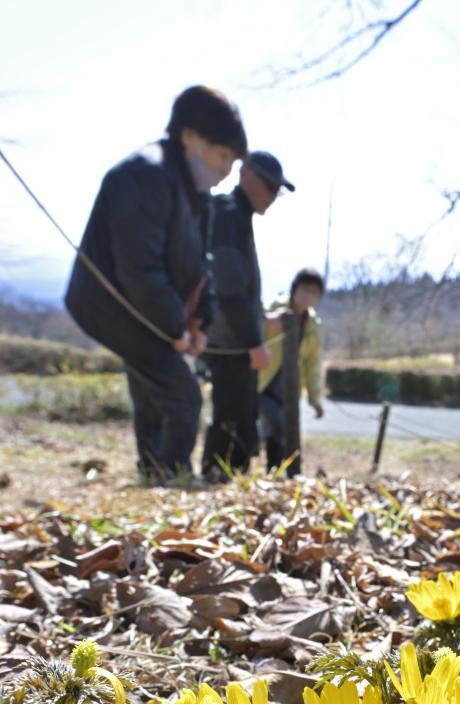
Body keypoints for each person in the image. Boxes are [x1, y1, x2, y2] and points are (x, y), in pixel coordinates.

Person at [65, 86, 247, 482]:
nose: (225, 171)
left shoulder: (195, 193)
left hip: (149, 307)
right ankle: (172, 479)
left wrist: (200, 319)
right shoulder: (144, 176)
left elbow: (201, 266)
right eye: (222, 157)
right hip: (112, 302)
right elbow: (139, 270)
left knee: (154, 389)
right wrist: (175, 327)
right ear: (190, 137)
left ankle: (153, 472)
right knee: (182, 393)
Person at [201, 151, 294, 481]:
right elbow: (228, 287)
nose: (272, 196)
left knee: (240, 414)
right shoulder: (227, 214)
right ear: (246, 176)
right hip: (229, 343)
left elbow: (241, 290)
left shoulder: (239, 218)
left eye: (276, 191)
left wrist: (262, 321)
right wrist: (254, 340)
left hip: (237, 337)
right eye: (270, 187)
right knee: (233, 415)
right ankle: (218, 476)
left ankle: (227, 476)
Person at [258, 268, 326, 473]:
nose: (308, 296)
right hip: (262, 381)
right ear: (295, 289)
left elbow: (312, 364)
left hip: (289, 387)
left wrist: (315, 398)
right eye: (305, 289)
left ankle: (278, 471)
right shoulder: (274, 309)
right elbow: (257, 328)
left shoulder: (313, 326)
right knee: (276, 424)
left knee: (283, 429)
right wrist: (269, 321)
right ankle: (275, 469)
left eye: (314, 292)